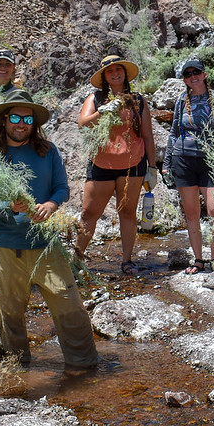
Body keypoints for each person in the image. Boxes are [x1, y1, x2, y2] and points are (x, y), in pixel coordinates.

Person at [0, 90, 99, 369]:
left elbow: (62, 189)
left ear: (34, 123)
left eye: (28, 118)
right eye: (15, 117)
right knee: (9, 313)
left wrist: (51, 204)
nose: (21, 123)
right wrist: (10, 206)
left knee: (69, 305)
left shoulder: (48, 151)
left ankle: (85, 366)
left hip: (46, 245)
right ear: (4, 121)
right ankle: (19, 370)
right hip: (6, 247)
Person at [75, 55, 157, 276]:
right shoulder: (95, 99)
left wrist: (152, 167)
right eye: (110, 71)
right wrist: (104, 110)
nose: (115, 73)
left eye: (119, 69)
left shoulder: (138, 100)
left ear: (125, 73)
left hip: (133, 165)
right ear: (104, 76)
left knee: (128, 213)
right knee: (89, 213)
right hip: (101, 163)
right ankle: (76, 259)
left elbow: (148, 136)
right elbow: (83, 124)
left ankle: (127, 260)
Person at [162, 59, 214, 275]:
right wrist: (166, 163)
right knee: (192, 214)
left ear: (204, 75)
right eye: (188, 74)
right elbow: (174, 131)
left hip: (211, 160)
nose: (193, 76)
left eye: (197, 72)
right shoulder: (182, 101)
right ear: (184, 79)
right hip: (183, 161)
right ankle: (199, 260)